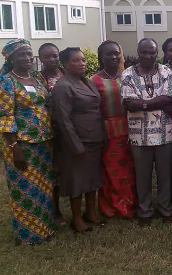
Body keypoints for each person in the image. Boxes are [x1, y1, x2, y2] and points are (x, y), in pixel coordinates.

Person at [0, 39, 56, 245]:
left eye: (29, 54)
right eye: (22, 55)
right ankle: (28, 234)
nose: (28, 58)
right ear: (11, 59)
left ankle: (46, 228)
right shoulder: (5, 82)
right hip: (22, 144)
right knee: (24, 188)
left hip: (44, 142)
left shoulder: (37, 78)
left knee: (44, 187)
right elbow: (5, 116)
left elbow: (46, 106)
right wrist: (14, 149)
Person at [121, 38, 172, 226]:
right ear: (138, 52)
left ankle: (165, 208)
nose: (148, 56)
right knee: (142, 176)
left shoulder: (165, 71)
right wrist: (156, 102)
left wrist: (142, 104)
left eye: (151, 52)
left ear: (157, 53)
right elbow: (129, 104)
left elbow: (169, 98)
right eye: (143, 52)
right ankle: (144, 211)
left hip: (164, 132)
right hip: (139, 135)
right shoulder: (128, 74)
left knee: (165, 175)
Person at [52, 47, 106, 232]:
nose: (81, 63)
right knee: (77, 181)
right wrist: (75, 145)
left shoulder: (87, 82)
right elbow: (63, 119)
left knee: (92, 178)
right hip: (77, 142)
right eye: (76, 60)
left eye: (82, 60)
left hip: (94, 138)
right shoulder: (63, 86)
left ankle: (90, 212)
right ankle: (76, 219)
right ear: (65, 64)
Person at [91, 40, 137, 219]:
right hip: (108, 131)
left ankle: (130, 203)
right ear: (101, 57)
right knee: (111, 170)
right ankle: (111, 206)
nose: (114, 57)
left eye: (116, 53)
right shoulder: (94, 80)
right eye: (109, 54)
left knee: (130, 170)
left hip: (131, 128)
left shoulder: (127, 75)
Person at [38, 42, 65, 225]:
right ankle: (54, 209)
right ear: (40, 59)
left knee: (65, 170)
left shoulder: (67, 75)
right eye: (47, 56)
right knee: (50, 171)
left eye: (55, 55)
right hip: (44, 132)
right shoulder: (35, 79)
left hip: (67, 130)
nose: (52, 59)